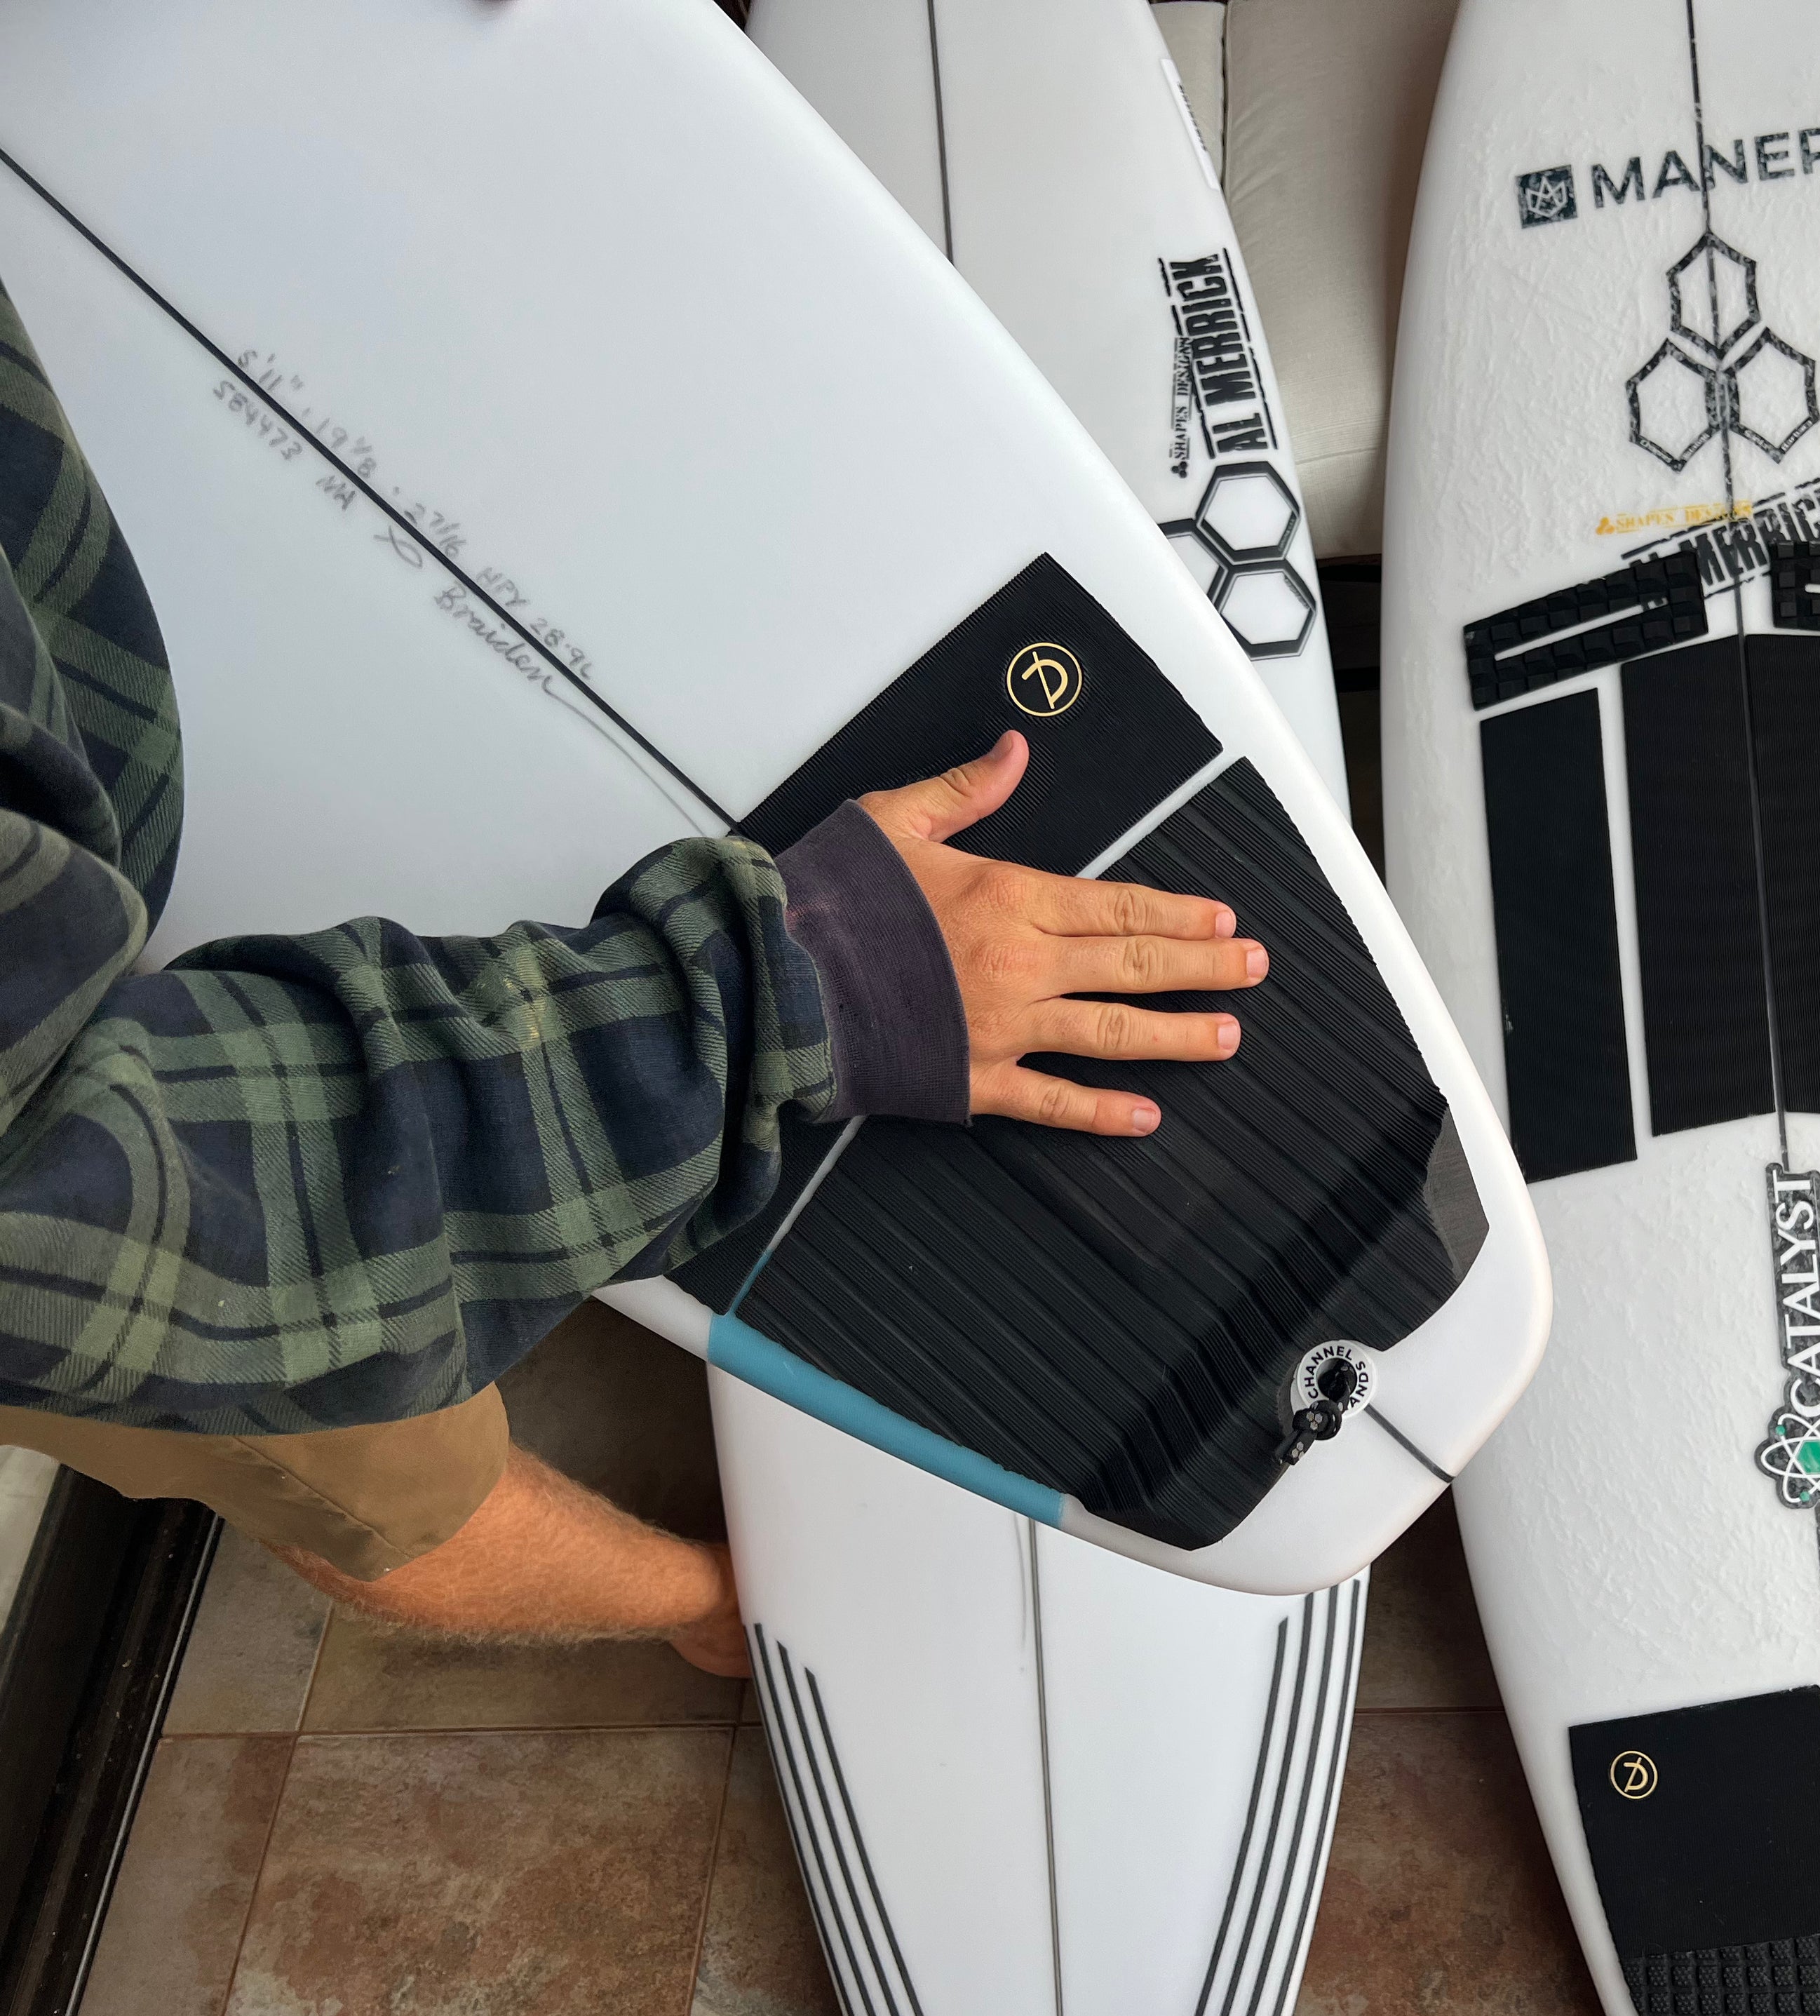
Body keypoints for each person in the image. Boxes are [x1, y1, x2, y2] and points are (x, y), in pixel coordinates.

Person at [0, 279, 1265, 1676]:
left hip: (93, 820)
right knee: (376, 1452)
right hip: (84, 1196)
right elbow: (53, 1176)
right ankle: (706, 1609)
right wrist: (794, 996)